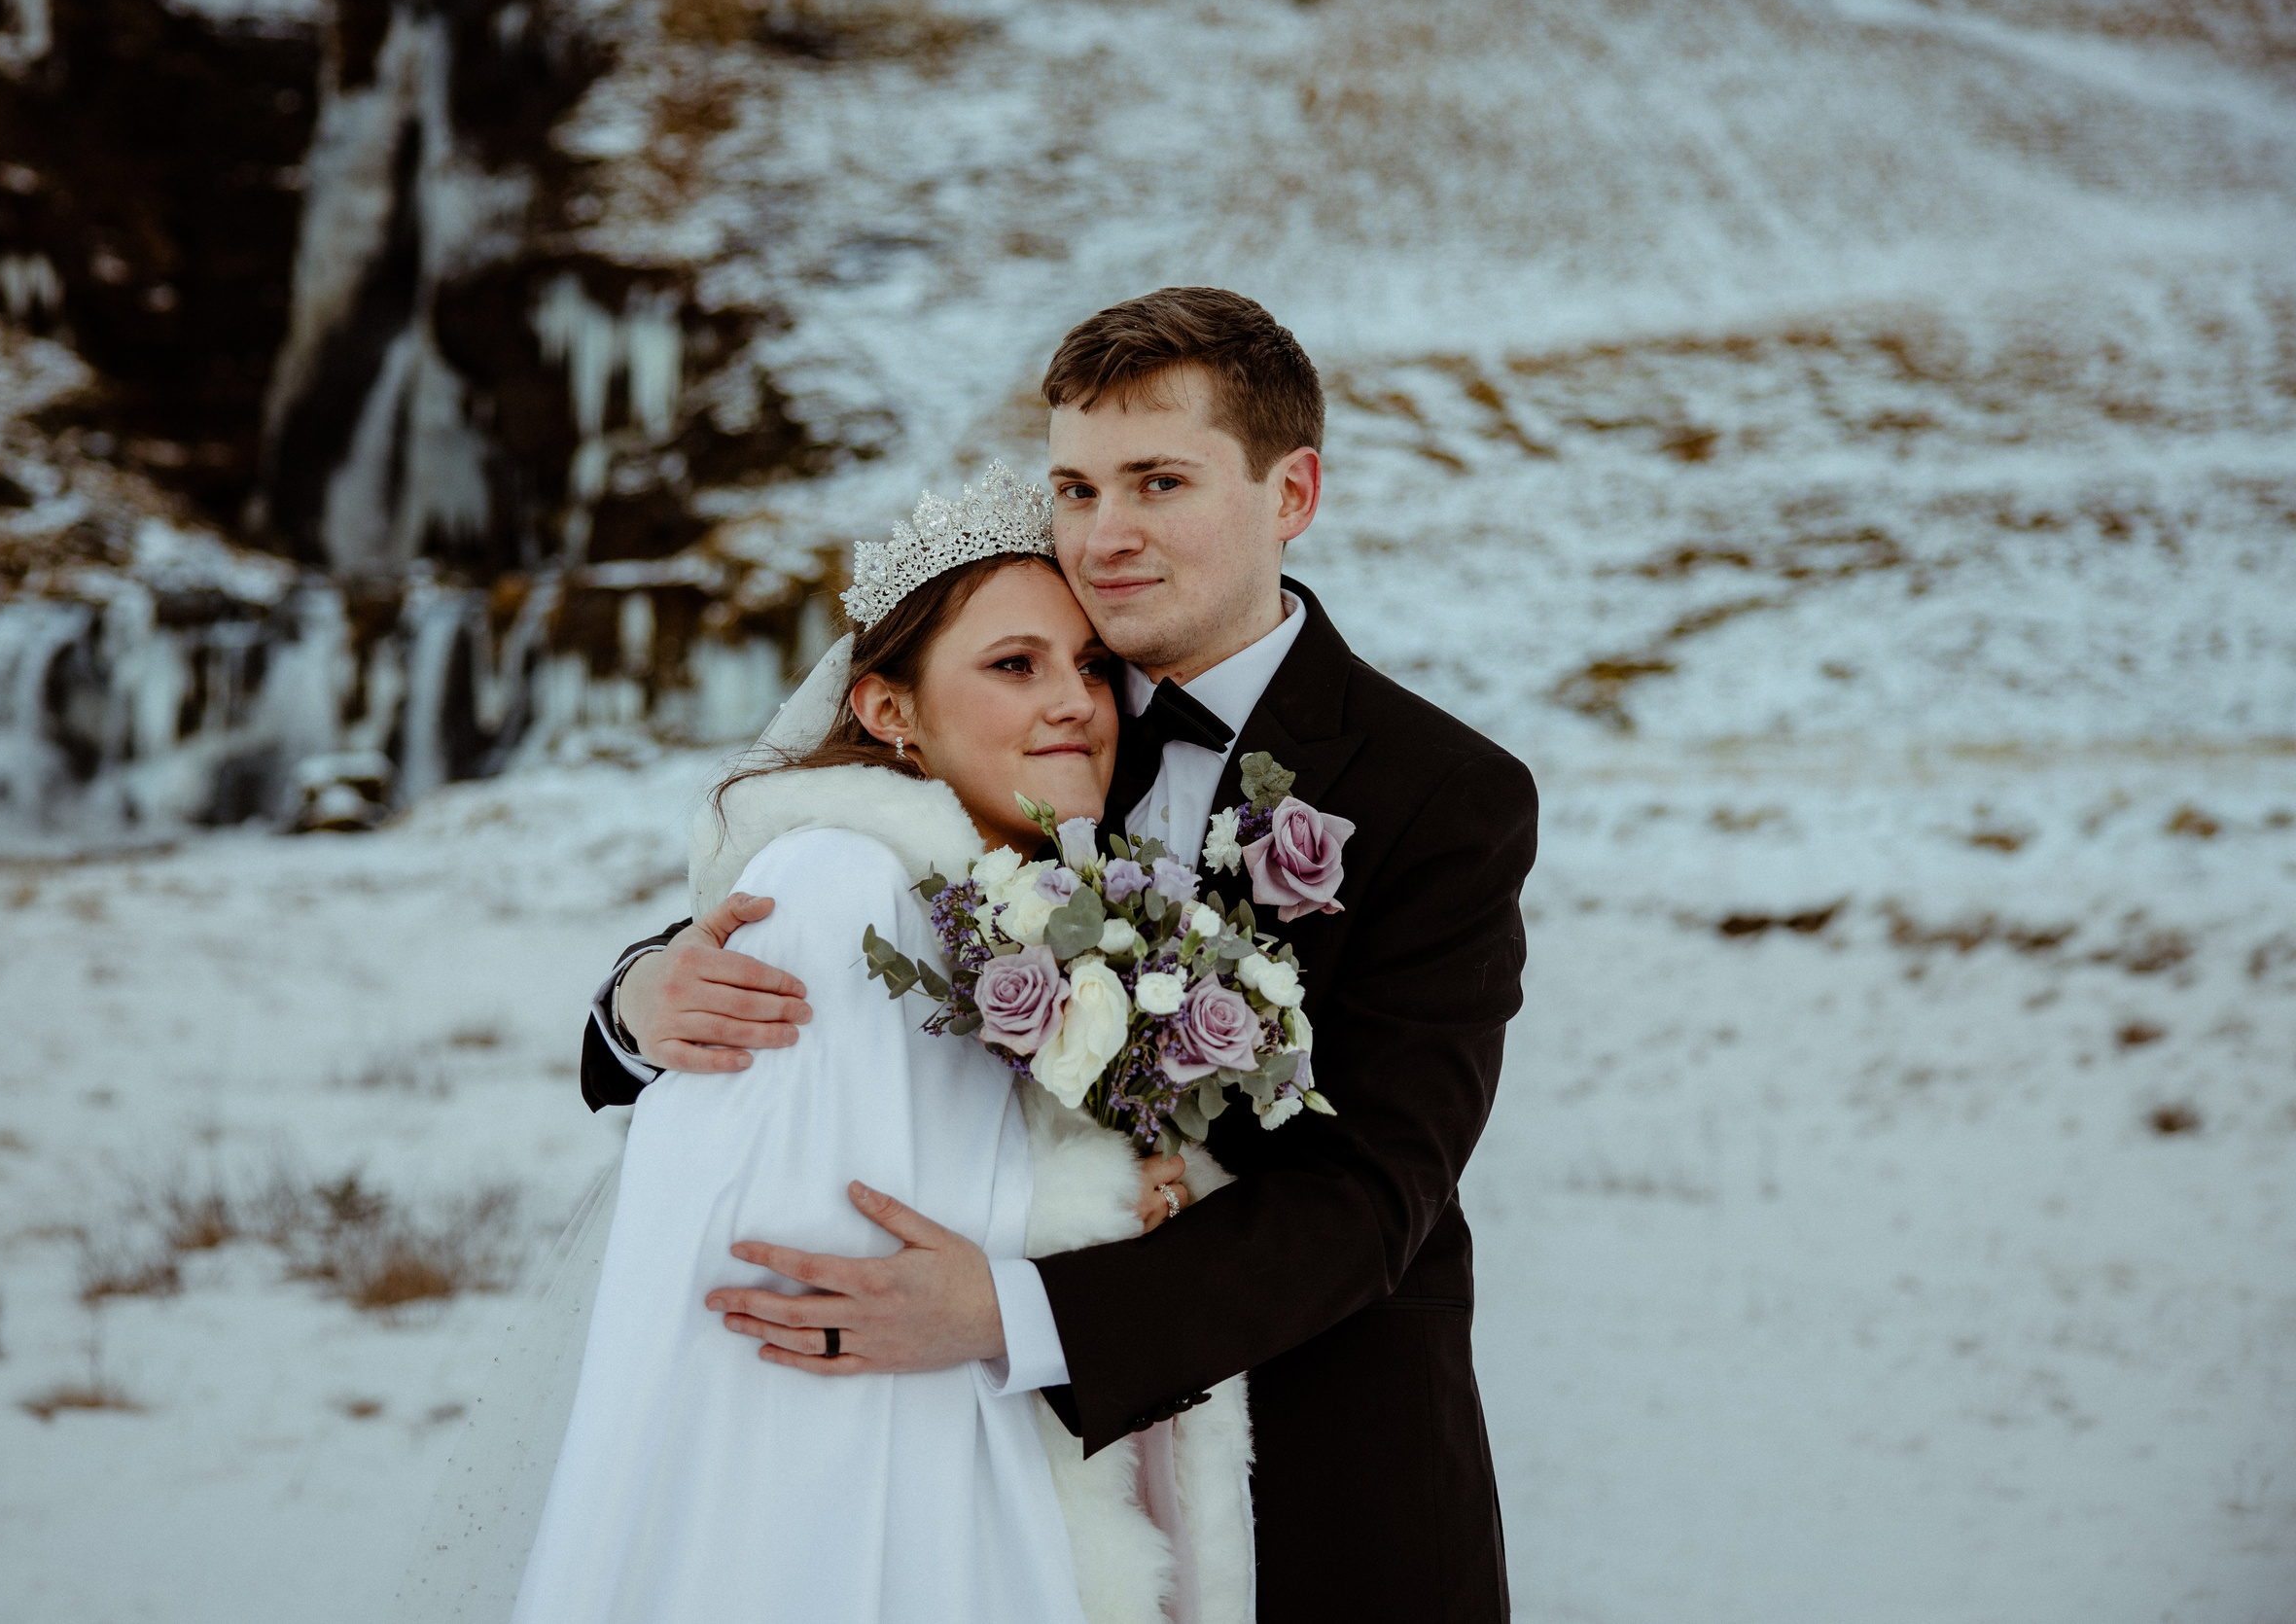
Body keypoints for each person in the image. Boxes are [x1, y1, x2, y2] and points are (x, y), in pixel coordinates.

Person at [588, 287, 1539, 1620]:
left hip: (1326, 1471)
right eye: (1077, 487)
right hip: (1017, 1495)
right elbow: (850, 841)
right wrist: (640, 994)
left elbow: (1372, 1197)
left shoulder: (1446, 794)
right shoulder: (1027, 706)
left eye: (1160, 481)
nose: (1106, 535)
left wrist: (1012, 1316)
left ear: (1293, 492)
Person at [510, 468, 1252, 1624]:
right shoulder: (837, 888)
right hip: (875, 1532)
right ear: (886, 710)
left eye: (1092, 666)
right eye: (1016, 664)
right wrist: (635, 992)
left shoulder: (1031, 902)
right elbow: (785, 1298)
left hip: (997, 1489)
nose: (1076, 702)